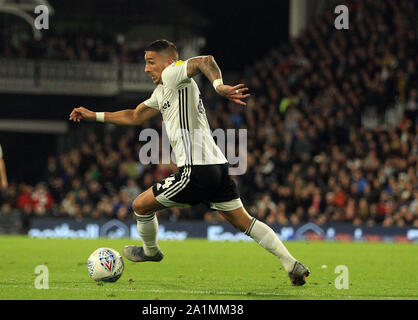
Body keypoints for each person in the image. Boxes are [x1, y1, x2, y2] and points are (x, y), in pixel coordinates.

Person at [69, 39, 310, 285]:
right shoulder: (163, 90)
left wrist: (217, 85)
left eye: (151, 62)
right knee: (245, 222)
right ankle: (292, 264)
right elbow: (134, 116)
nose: (146, 69)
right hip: (217, 167)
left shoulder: (174, 73)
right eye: (145, 63)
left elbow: (205, 61)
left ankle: (151, 251)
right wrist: (93, 115)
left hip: (196, 170)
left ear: (168, 62)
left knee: (141, 206)